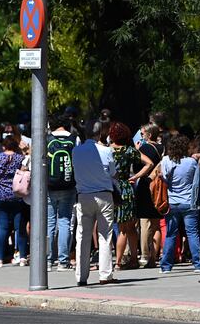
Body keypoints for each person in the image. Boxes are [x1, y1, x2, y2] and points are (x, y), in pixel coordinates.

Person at [72, 128, 118, 285]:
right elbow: (113, 172)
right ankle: (105, 275)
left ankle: (81, 276)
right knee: (105, 235)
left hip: (83, 195)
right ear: (99, 134)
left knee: (82, 236)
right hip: (104, 194)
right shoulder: (106, 150)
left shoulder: (76, 151)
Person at [159, 133, 200, 274]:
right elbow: (196, 181)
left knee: (171, 233)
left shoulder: (166, 160)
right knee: (192, 233)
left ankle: (166, 265)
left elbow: (164, 180)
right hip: (189, 202)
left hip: (172, 202)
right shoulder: (191, 162)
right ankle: (198, 263)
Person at [109, 121, 154, 270]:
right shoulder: (129, 150)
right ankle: (134, 259)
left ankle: (118, 261)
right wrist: (136, 176)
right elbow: (149, 163)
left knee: (121, 228)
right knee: (131, 227)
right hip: (127, 188)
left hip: (113, 188)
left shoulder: (107, 150)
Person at [0, 134, 28, 268]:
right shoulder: (20, 158)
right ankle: (22, 257)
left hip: (0, 195)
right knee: (19, 227)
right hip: (17, 194)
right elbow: (25, 173)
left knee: (2, 228)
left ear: (4, 146)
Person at [46, 114, 77, 271]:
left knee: (50, 222)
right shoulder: (74, 139)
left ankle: (47, 260)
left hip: (50, 185)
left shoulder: (47, 139)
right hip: (68, 185)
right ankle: (63, 261)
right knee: (65, 221)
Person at [133, 123, 163, 269]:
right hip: (159, 187)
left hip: (145, 185)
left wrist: (137, 150)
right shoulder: (163, 148)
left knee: (145, 222)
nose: (141, 136)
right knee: (156, 223)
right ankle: (154, 256)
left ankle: (145, 254)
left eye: (143, 133)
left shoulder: (143, 149)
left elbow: (136, 167)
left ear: (149, 135)